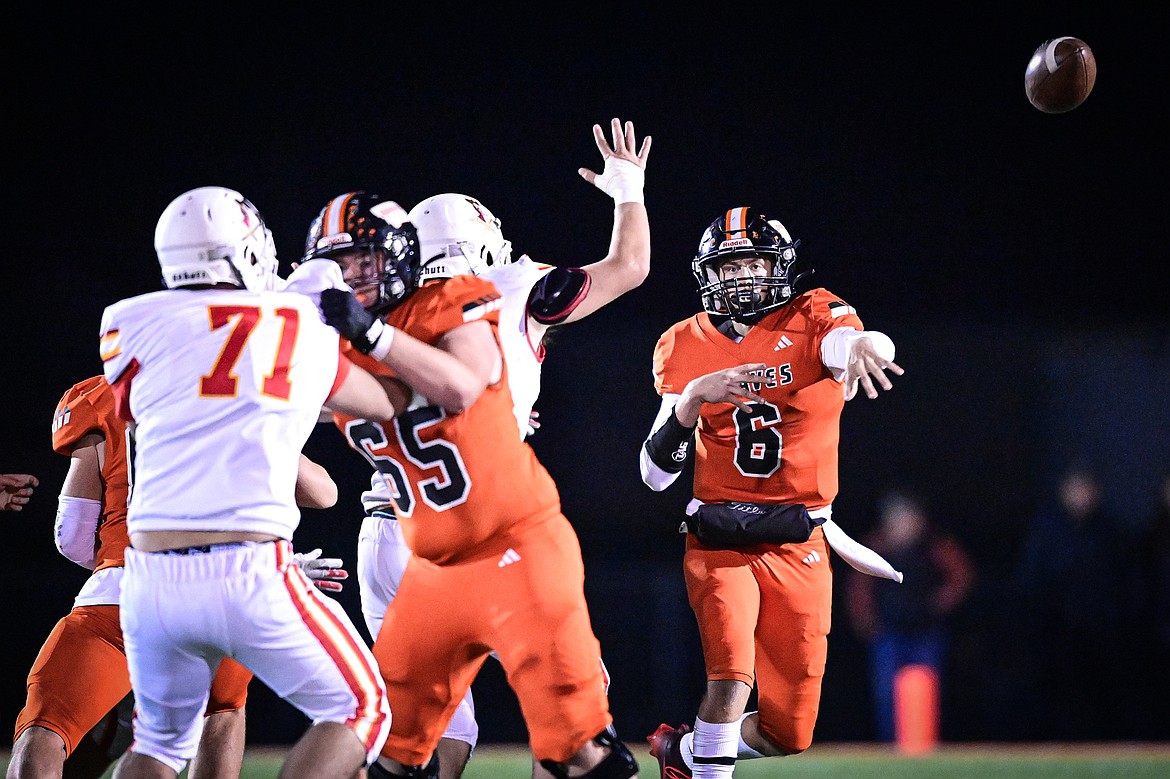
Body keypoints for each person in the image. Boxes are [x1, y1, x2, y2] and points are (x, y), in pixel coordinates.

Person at [302, 123, 646, 779]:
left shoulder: (355, 332)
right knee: (575, 738)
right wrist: (628, 190)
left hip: (398, 526)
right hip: (486, 533)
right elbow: (626, 269)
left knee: (405, 738)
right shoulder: (496, 290)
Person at [96, 186, 396, 778]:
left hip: (150, 577)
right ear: (247, 251)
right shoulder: (295, 323)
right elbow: (380, 403)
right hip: (247, 571)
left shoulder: (127, 323)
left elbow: (153, 394)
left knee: (157, 744)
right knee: (363, 707)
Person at [639, 206, 903, 778]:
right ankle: (706, 767)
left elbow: (848, 342)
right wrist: (691, 402)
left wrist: (868, 346)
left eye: (752, 262)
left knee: (790, 732)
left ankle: (685, 754)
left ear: (778, 266)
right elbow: (655, 474)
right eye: (728, 266)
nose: (740, 277)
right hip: (718, 533)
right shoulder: (683, 343)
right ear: (708, 273)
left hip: (799, 537)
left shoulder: (815, 316)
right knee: (731, 674)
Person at [8, 373, 346, 779]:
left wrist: (119, 557)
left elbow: (72, 536)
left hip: (126, 588)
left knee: (48, 729)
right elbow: (324, 494)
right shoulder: (237, 391)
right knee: (223, 715)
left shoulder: (99, 395)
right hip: (221, 592)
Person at [844, 489, 974, 743]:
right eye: (895, 517)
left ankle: (926, 744)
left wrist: (942, 601)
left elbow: (962, 576)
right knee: (886, 694)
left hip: (926, 633)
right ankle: (892, 747)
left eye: (907, 516)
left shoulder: (936, 546)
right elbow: (858, 587)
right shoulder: (875, 547)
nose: (902, 523)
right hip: (888, 634)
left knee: (929, 690)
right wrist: (866, 621)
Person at [1014, 465, 1130, 740]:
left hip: (1099, 628)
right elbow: (1033, 578)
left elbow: (1121, 580)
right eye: (1075, 489)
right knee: (1058, 691)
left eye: (1085, 490)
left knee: (1100, 690)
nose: (1080, 496)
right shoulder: (1048, 529)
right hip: (1057, 629)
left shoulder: (1108, 532)